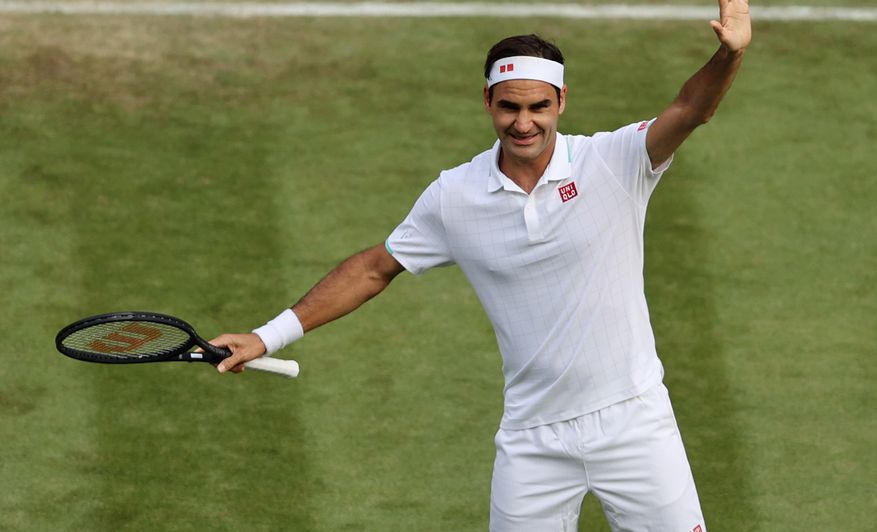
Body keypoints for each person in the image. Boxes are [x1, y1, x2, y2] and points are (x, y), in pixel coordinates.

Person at [212, 1, 750, 529]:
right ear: (488, 103)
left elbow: (690, 108)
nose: (523, 123)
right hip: (532, 440)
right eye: (509, 107)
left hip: (635, 422)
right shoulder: (455, 196)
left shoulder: (614, 161)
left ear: (561, 101)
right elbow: (376, 268)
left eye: (538, 106)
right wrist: (267, 336)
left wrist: (728, 56)